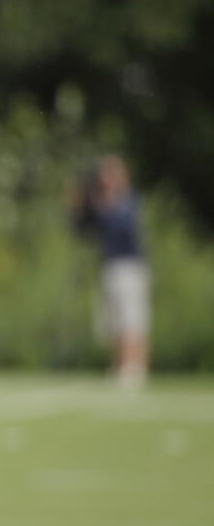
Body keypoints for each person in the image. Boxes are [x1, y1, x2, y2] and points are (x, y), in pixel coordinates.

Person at [74, 155, 151, 389]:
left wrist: (104, 205)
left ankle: (135, 367)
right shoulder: (101, 203)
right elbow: (80, 228)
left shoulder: (129, 200)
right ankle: (119, 365)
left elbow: (124, 226)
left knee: (133, 318)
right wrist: (79, 200)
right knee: (113, 320)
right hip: (109, 266)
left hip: (130, 266)